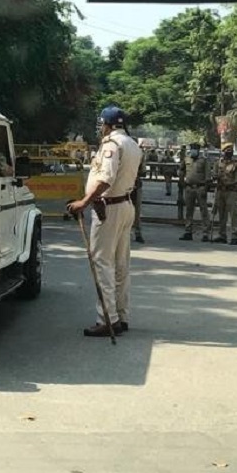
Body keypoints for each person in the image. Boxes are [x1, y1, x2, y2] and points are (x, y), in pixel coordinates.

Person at [66, 105, 143, 337]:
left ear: (108, 125)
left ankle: (107, 318)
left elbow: (105, 179)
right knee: (121, 265)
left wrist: (84, 202)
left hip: (107, 208)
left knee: (102, 263)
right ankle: (121, 314)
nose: (101, 128)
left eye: (102, 124)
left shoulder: (111, 145)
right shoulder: (131, 144)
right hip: (126, 205)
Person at [210, 142, 237, 245]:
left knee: (233, 214)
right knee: (221, 213)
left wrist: (229, 183)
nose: (229, 152)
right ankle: (222, 235)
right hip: (220, 190)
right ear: (223, 152)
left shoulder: (236, 163)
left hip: (231, 191)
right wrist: (215, 177)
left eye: (231, 150)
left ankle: (234, 236)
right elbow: (214, 175)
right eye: (226, 150)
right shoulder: (218, 162)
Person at [179, 145, 210, 241]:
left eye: (195, 149)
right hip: (189, 188)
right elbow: (181, 169)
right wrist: (182, 181)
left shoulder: (203, 160)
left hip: (200, 188)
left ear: (198, 150)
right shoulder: (186, 159)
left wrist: (206, 188)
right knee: (189, 210)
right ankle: (188, 231)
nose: (193, 151)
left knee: (203, 211)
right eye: (192, 149)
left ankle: (205, 233)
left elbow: (208, 175)